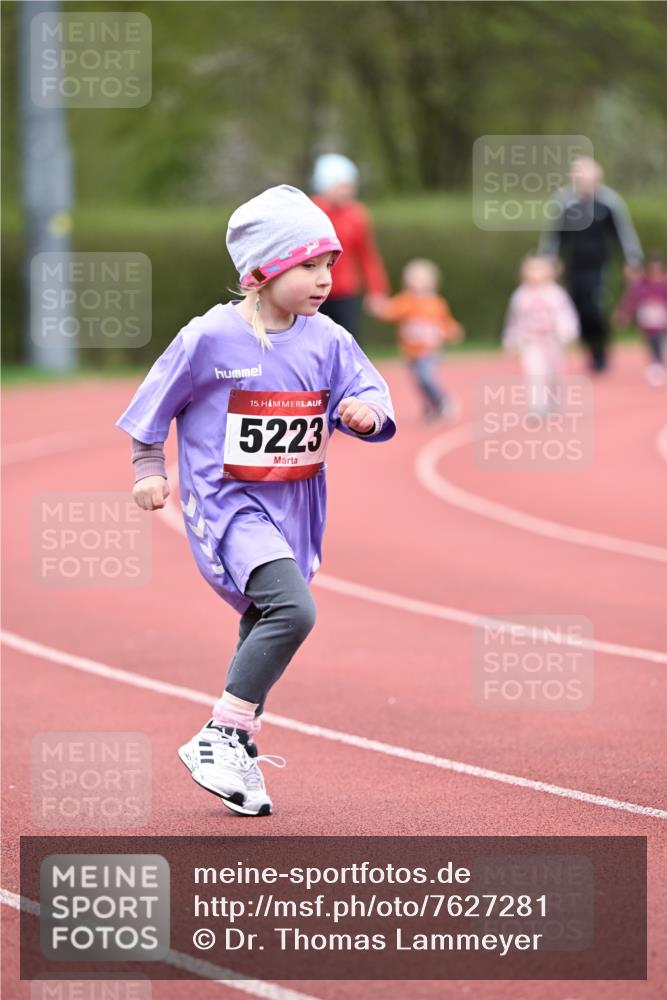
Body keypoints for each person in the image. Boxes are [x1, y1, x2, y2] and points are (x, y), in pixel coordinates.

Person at [115, 185, 396, 817]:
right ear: (262, 272)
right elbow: (151, 408)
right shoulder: (209, 338)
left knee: (262, 619)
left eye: (329, 264)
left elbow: (368, 390)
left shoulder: (328, 338)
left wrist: (365, 412)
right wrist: (148, 469)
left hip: (295, 507)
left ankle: (234, 747)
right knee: (293, 611)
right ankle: (220, 733)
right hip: (229, 504)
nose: (324, 279)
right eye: (308, 265)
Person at [539, 156, 643, 373]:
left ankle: (600, 352)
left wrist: (632, 260)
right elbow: (553, 236)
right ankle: (591, 350)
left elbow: (624, 233)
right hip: (574, 265)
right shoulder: (564, 202)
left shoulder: (609, 202)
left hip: (599, 266)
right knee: (577, 308)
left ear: (598, 178)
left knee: (594, 307)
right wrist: (548, 261)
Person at [369, 258, 464, 421]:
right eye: (413, 280)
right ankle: (431, 406)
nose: (417, 285)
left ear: (431, 283)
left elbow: (446, 322)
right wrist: (378, 308)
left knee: (426, 376)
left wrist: (453, 331)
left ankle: (443, 400)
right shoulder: (405, 301)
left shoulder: (436, 303)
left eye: (421, 281)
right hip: (411, 352)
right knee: (419, 381)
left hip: (430, 351)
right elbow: (390, 311)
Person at [310, 153, 390, 346]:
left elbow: (367, 255)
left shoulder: (357, 214)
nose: (349, 191)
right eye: (343, 186)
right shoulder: (310, 210)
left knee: (347, 344)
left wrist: (377, 290)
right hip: (312, 288)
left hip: (345, 292)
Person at [501, 253, 580, 413]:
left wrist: (568, 333)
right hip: (531, 342)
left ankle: (554, 400)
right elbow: (514, 320)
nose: (535, 273)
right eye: (531, 269)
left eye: (539, 269)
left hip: (552, 341)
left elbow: (566, 314)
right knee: (534, 372)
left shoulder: (556, 294)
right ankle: (537, 406)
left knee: (553, 373)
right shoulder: (520, 296)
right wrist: (511, 340)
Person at [613, 251, 667, 387]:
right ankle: (656, 365)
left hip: (662, 323)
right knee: (652, 343)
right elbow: (631, 301)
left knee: (659, 342)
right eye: (653, 268)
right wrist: (622, 314)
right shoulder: (642, 285)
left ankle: (658, 364)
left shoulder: (664, 285)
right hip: (648, 324)